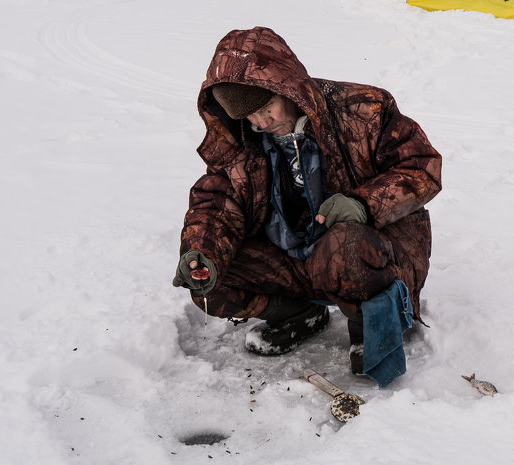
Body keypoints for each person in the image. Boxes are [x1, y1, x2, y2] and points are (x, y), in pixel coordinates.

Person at [173, 27, 441, 383]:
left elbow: (423, 166)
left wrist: (364, 204)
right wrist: (200, 251)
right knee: (211, 275)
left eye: (266, 109)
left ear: (286, 88)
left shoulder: (364, 108)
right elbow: (219, 200)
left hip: (368, 252)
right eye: (249, 118)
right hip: (295, 257)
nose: (261, 124)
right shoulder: (245, 139)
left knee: (347, 244)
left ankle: (372, 324)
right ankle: (300, 315)